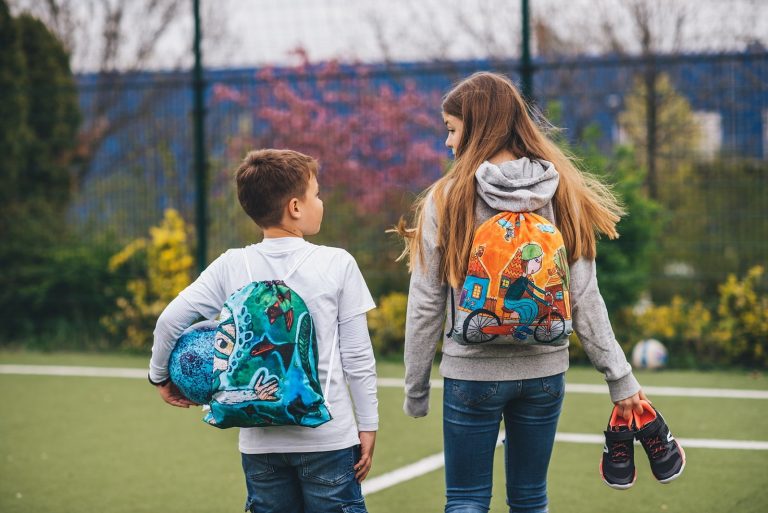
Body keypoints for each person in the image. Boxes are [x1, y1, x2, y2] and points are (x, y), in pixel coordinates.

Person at [396, 72, 649, 512]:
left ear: (477, 127)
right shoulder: (561, 190)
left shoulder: (448, 197)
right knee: (531, 500)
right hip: (543, 373)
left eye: (451, 129)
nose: (448, 143)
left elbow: (426, 303)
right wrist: (619, 377)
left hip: (471, 373)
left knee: (466, 499)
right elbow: (585, 296)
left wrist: (416, 387)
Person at [149, 149, 378, 513]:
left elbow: (169, 322)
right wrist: (368, 425)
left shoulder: (231, 265)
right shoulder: (337, 263)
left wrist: (159, 375)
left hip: (260, 445)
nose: (321, 201)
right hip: (328, 437)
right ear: (295, 207)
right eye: (316, 193)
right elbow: (358, 357)